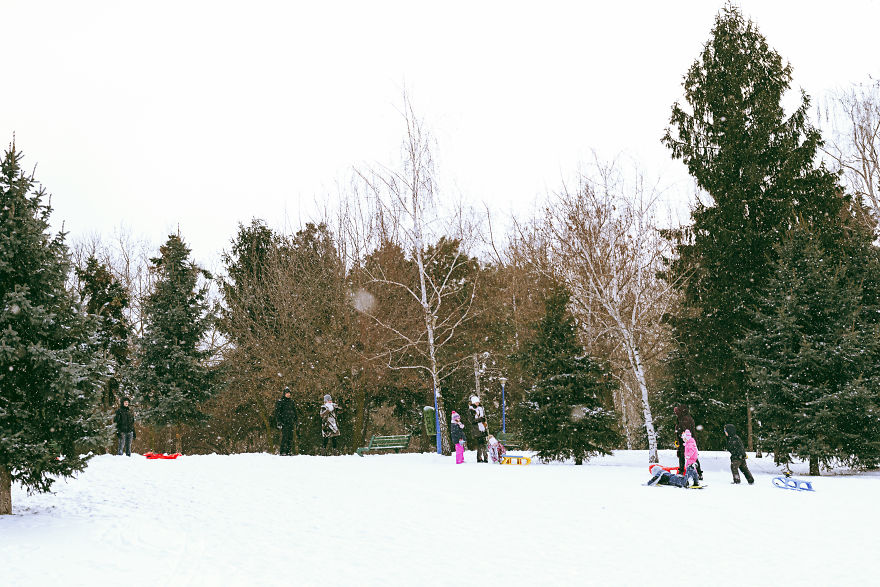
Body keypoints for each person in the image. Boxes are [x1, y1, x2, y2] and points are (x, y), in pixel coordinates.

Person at [674, 405, 703, 479]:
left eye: (676, 411)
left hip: (687, 441)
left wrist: (679, 433)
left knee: (690, 456)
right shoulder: (682, 418)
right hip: (684, 441)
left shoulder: (685, 419)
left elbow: (686, 431)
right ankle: (697, 473)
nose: (675, 413)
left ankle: (692, 472)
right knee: (688, 456)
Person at [274, 387, 298, 456]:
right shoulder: (280, 402)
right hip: (284, 422)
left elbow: (294, 412)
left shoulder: (291, 402)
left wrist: (296, 420)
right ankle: (282, 451)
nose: (288, 394)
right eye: (287, 393)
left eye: (289, 393)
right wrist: (279, 421)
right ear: (284, 394)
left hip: (291, 421)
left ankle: (288, 451)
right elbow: (278, 413)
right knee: (285, 436)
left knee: (290, 437)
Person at [468, 395, 488, 463]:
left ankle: (485, 458)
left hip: (482, 428)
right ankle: (479, 458)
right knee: (480, 444)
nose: (477, 403)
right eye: (476, 402)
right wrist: (480, 419)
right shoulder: (471, 410)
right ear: (473, 402)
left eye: (478, 402)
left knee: (484, 444)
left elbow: (483, 417)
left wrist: (483, 420)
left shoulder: (481, 408)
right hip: (476, 429)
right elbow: (471, 421)